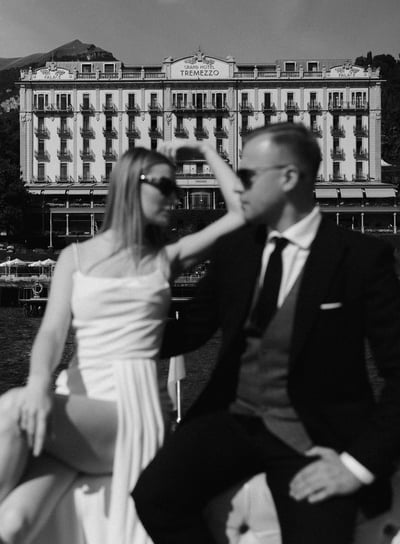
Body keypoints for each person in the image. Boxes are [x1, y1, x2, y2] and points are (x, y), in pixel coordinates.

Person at [133, 123, 400, 544]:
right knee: (154, 497)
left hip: (313, 437)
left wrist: (355, 465)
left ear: (289, 177)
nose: (239, 188)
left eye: (247, 177)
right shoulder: (236, 249)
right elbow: (191, 331)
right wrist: (116, 327)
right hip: (230, 418)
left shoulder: (362, 258)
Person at [0, 143, 244, 544]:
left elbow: (243, 212)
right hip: (75, 402)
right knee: (12, 522)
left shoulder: (164, 259)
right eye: (165, 185)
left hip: (131, 410)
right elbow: (51, 332)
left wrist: (203, 149)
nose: (175, 196)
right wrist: (40, 385)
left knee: (10, 409)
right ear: (132, 184)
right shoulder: (73, 257)